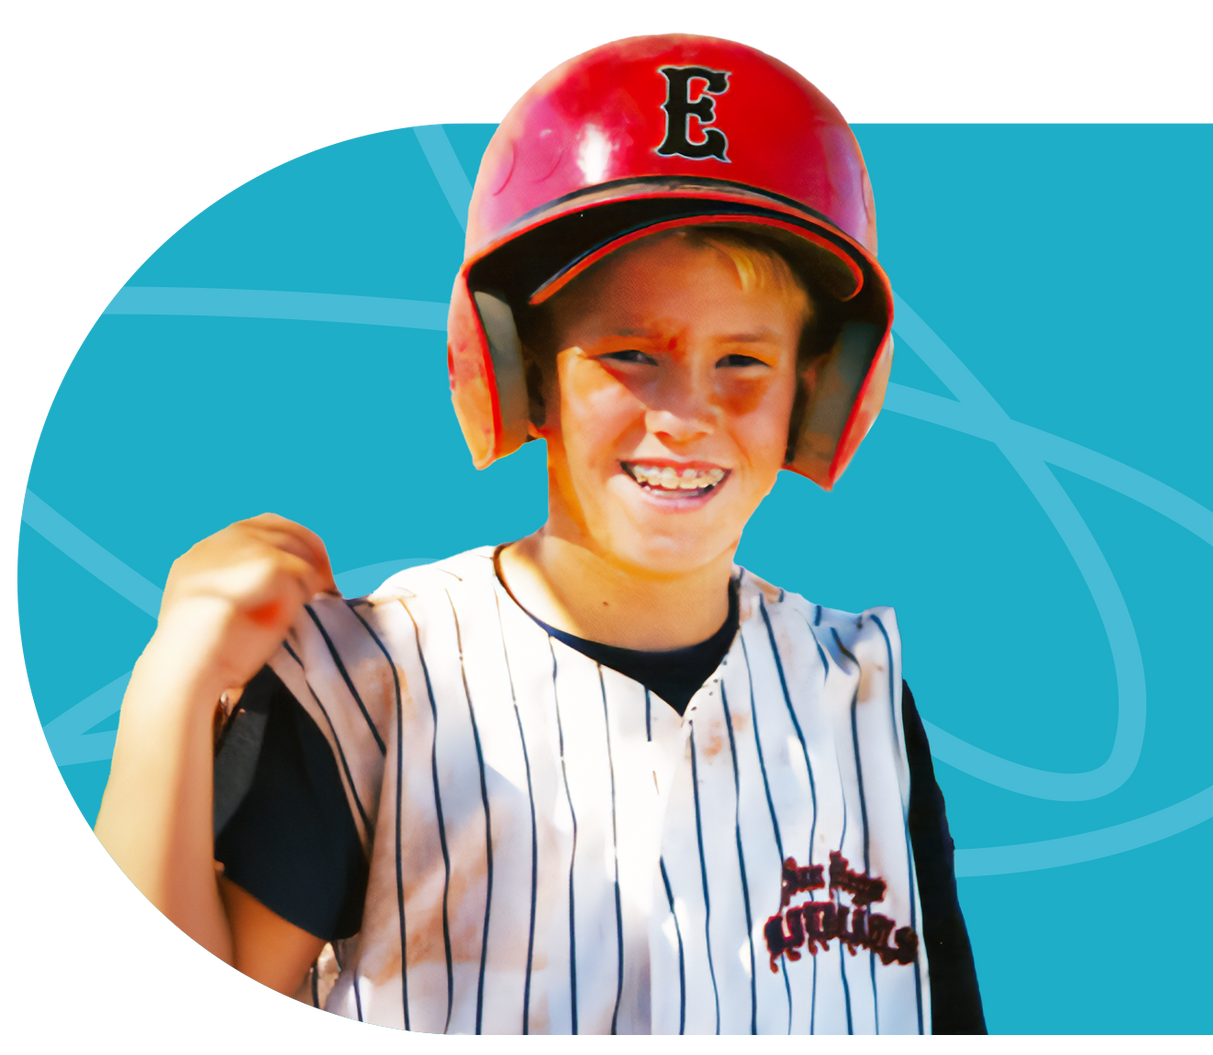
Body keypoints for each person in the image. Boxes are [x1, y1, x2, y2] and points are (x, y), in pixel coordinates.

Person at [93, 31, 985, 1038]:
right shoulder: (375, 680)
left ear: (814, 395)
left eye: (743, 359)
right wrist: (170, 685)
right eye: (630, 352)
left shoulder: (857, 692)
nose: (686, 411)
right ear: (522, 371)